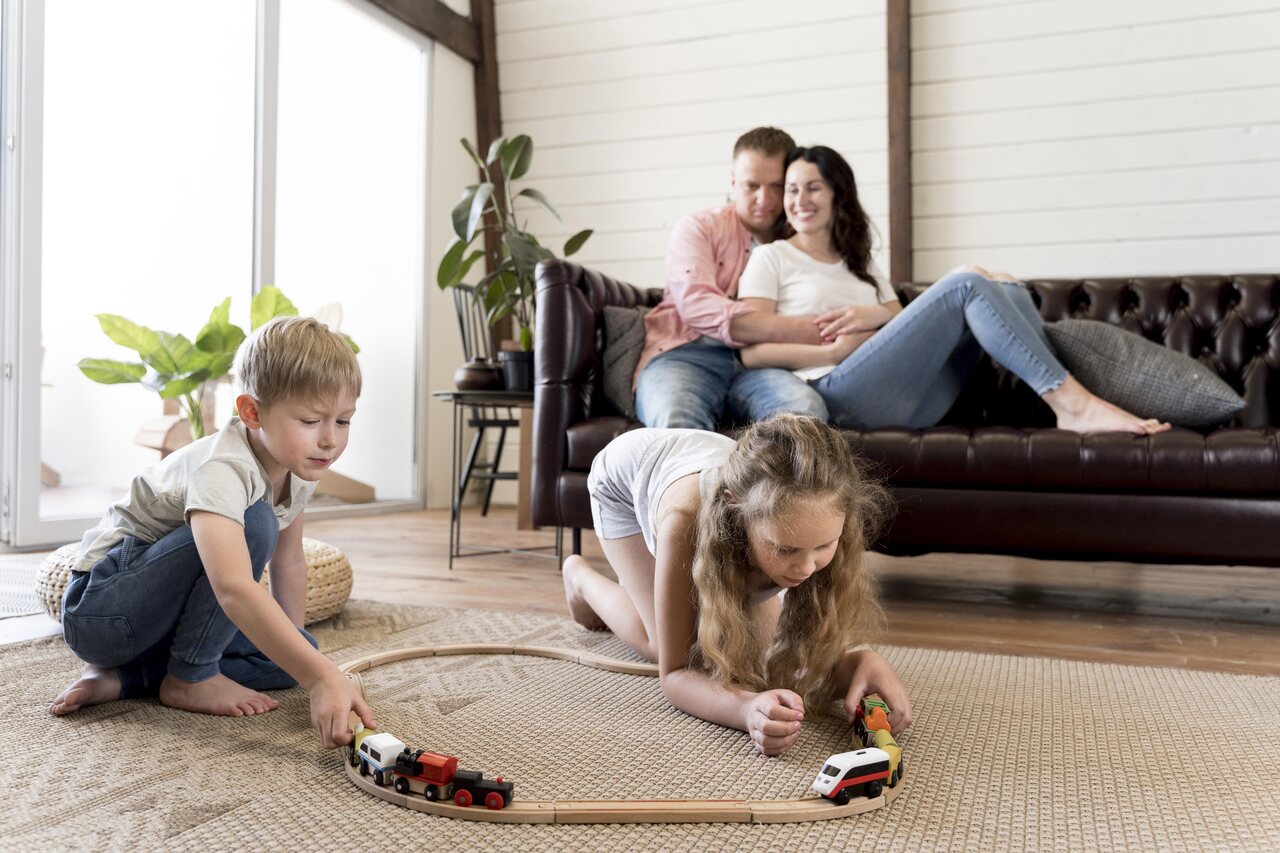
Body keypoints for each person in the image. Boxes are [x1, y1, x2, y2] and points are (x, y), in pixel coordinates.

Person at [50, 316, 377, 749]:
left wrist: (300, 656)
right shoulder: (224, 468)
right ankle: (190, 676)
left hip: (156, 625)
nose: (330, 440)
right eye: (311, 420)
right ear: (252, 412)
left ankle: (132, 680)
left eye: (343, 421)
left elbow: (289, 561)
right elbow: (233, 589)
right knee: (256, 523)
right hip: (104, 611)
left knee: (294, 652)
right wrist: (321, 676)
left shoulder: (299, 468)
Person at [736, 145, 1171, 435]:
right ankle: (1073, 404)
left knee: (1005, 286)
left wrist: (872, 316)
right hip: (840, 391)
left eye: (813, 187)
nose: (800, 200)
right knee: (967, 282)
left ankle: (1060, 403)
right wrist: (831, 353)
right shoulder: (772, 257)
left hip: (913, 401)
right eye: (792, 190)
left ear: (837, 195)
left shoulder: (861, 261)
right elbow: (751, 352)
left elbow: (893, 315)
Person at [561, 414, 912, 756]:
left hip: (718, 468)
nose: (807, 567)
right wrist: (745, 710)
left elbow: (801, 658)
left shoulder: (815, 513)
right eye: (785, 548)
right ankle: (581, 579)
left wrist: (857, 661)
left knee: (758, 659)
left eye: (822, 547)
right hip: (624, 479)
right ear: (740, 519)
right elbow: (676, 675)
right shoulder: (683, 523)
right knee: (667, 647)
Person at [633, 127, 829, 431]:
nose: (764, 199)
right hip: (687, 354)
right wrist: (810, 330)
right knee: (676, 415)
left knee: (805, 413)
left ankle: (774, 482)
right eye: (751, 186)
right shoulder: (700, 227)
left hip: (766, 364)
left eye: (776, 186)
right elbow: (697, 306)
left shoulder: (806, 239)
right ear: (733, 183)